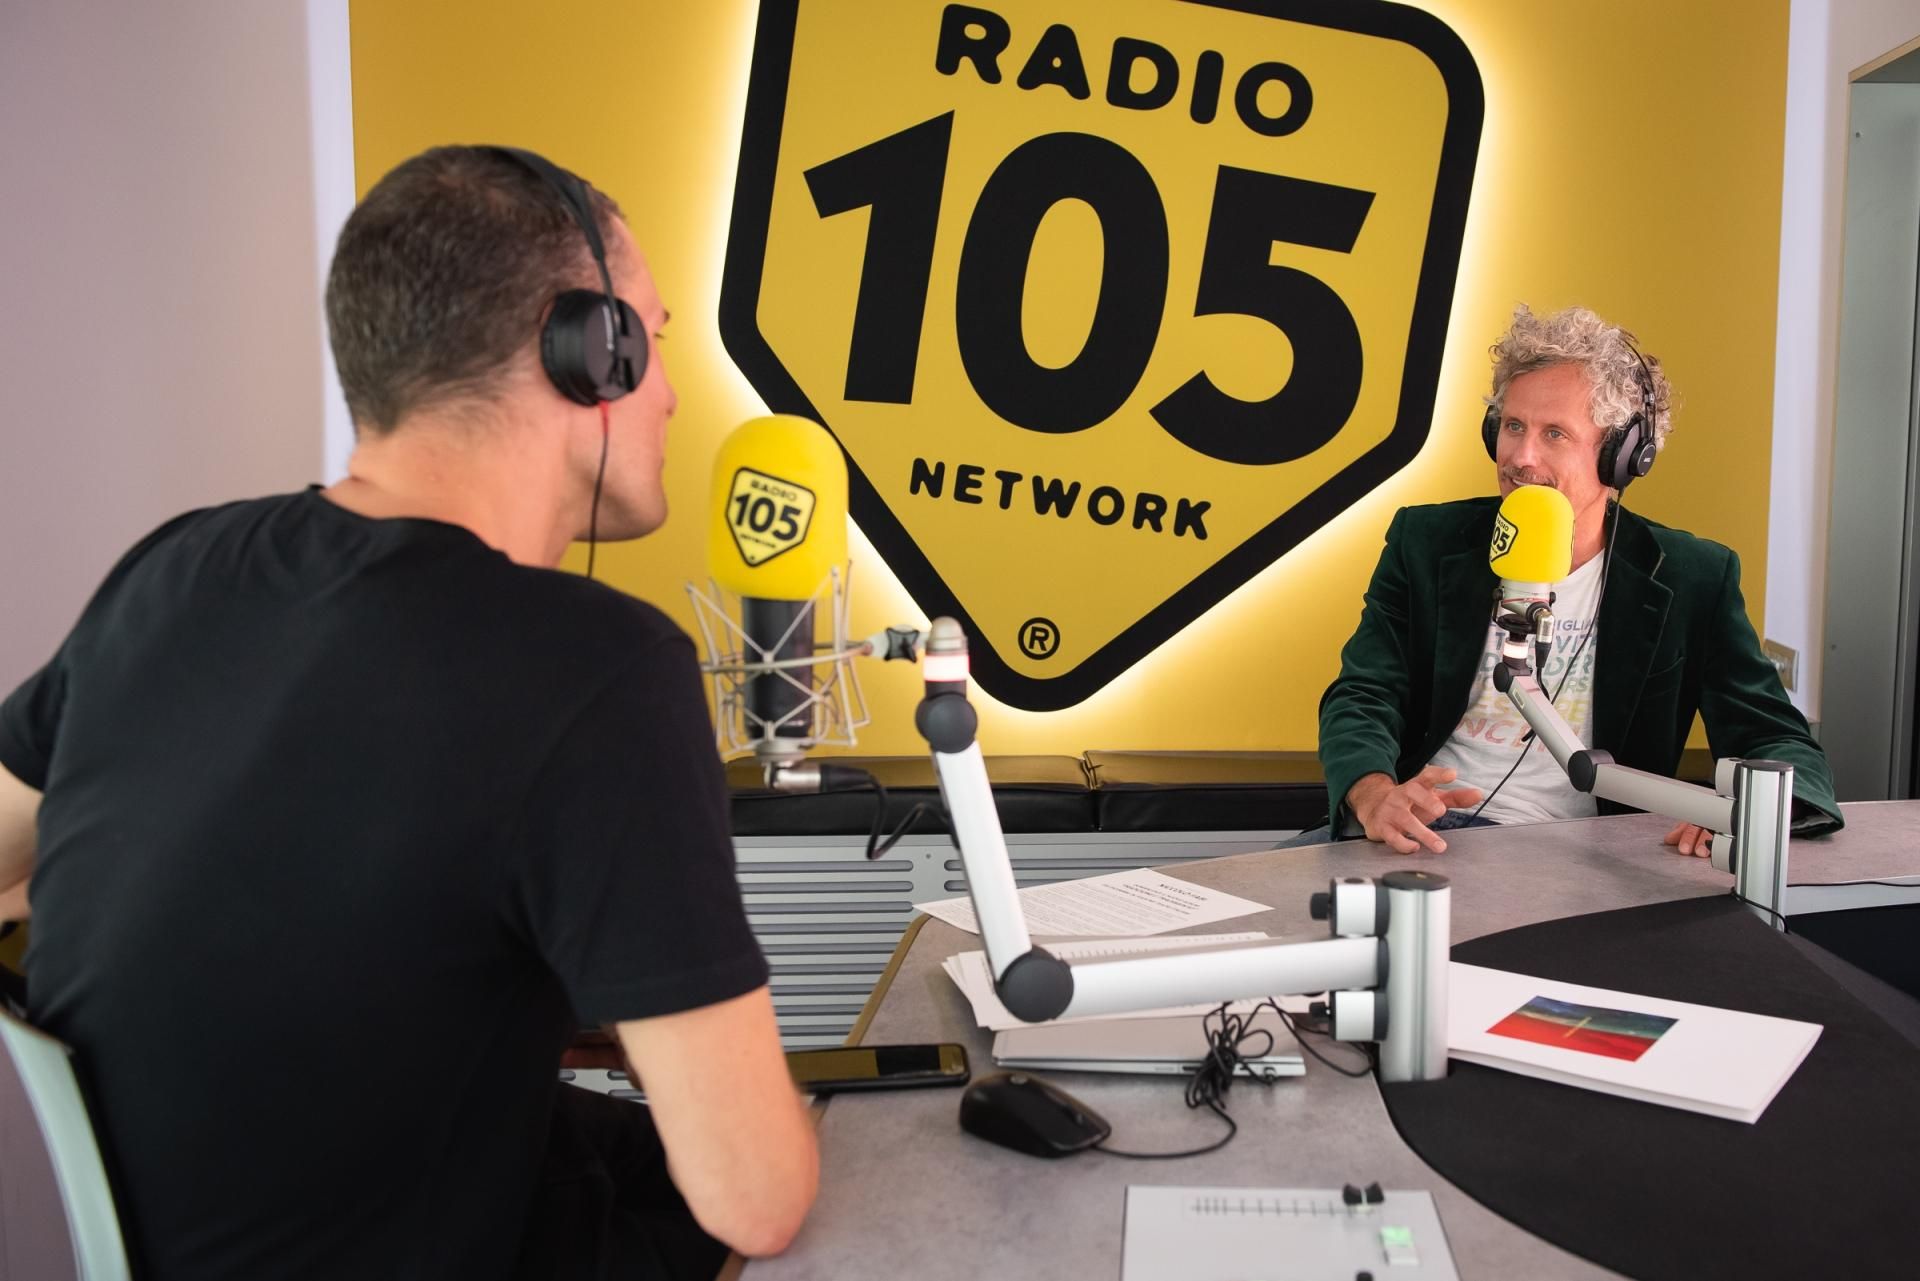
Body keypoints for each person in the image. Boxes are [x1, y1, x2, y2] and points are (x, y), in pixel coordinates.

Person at [0, 145, 816, 1280]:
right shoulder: (601, 666)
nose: (672, 391)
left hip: (202, 1228)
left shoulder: (176, 567)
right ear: (590, 350)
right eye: (655, 338)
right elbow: (755, 1200)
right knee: (803, 1167)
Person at [1313, 304, 1841, 855]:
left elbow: (1777, 738)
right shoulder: (1426, 541)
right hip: (1422, 837)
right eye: (1513, 426)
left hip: (1585, 857)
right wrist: (1372, 792)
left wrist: (1740, 813)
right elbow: (1364, 692)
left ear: (1620, 457)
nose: (1521, 457)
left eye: (1554, 434)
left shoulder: (1694, 578)